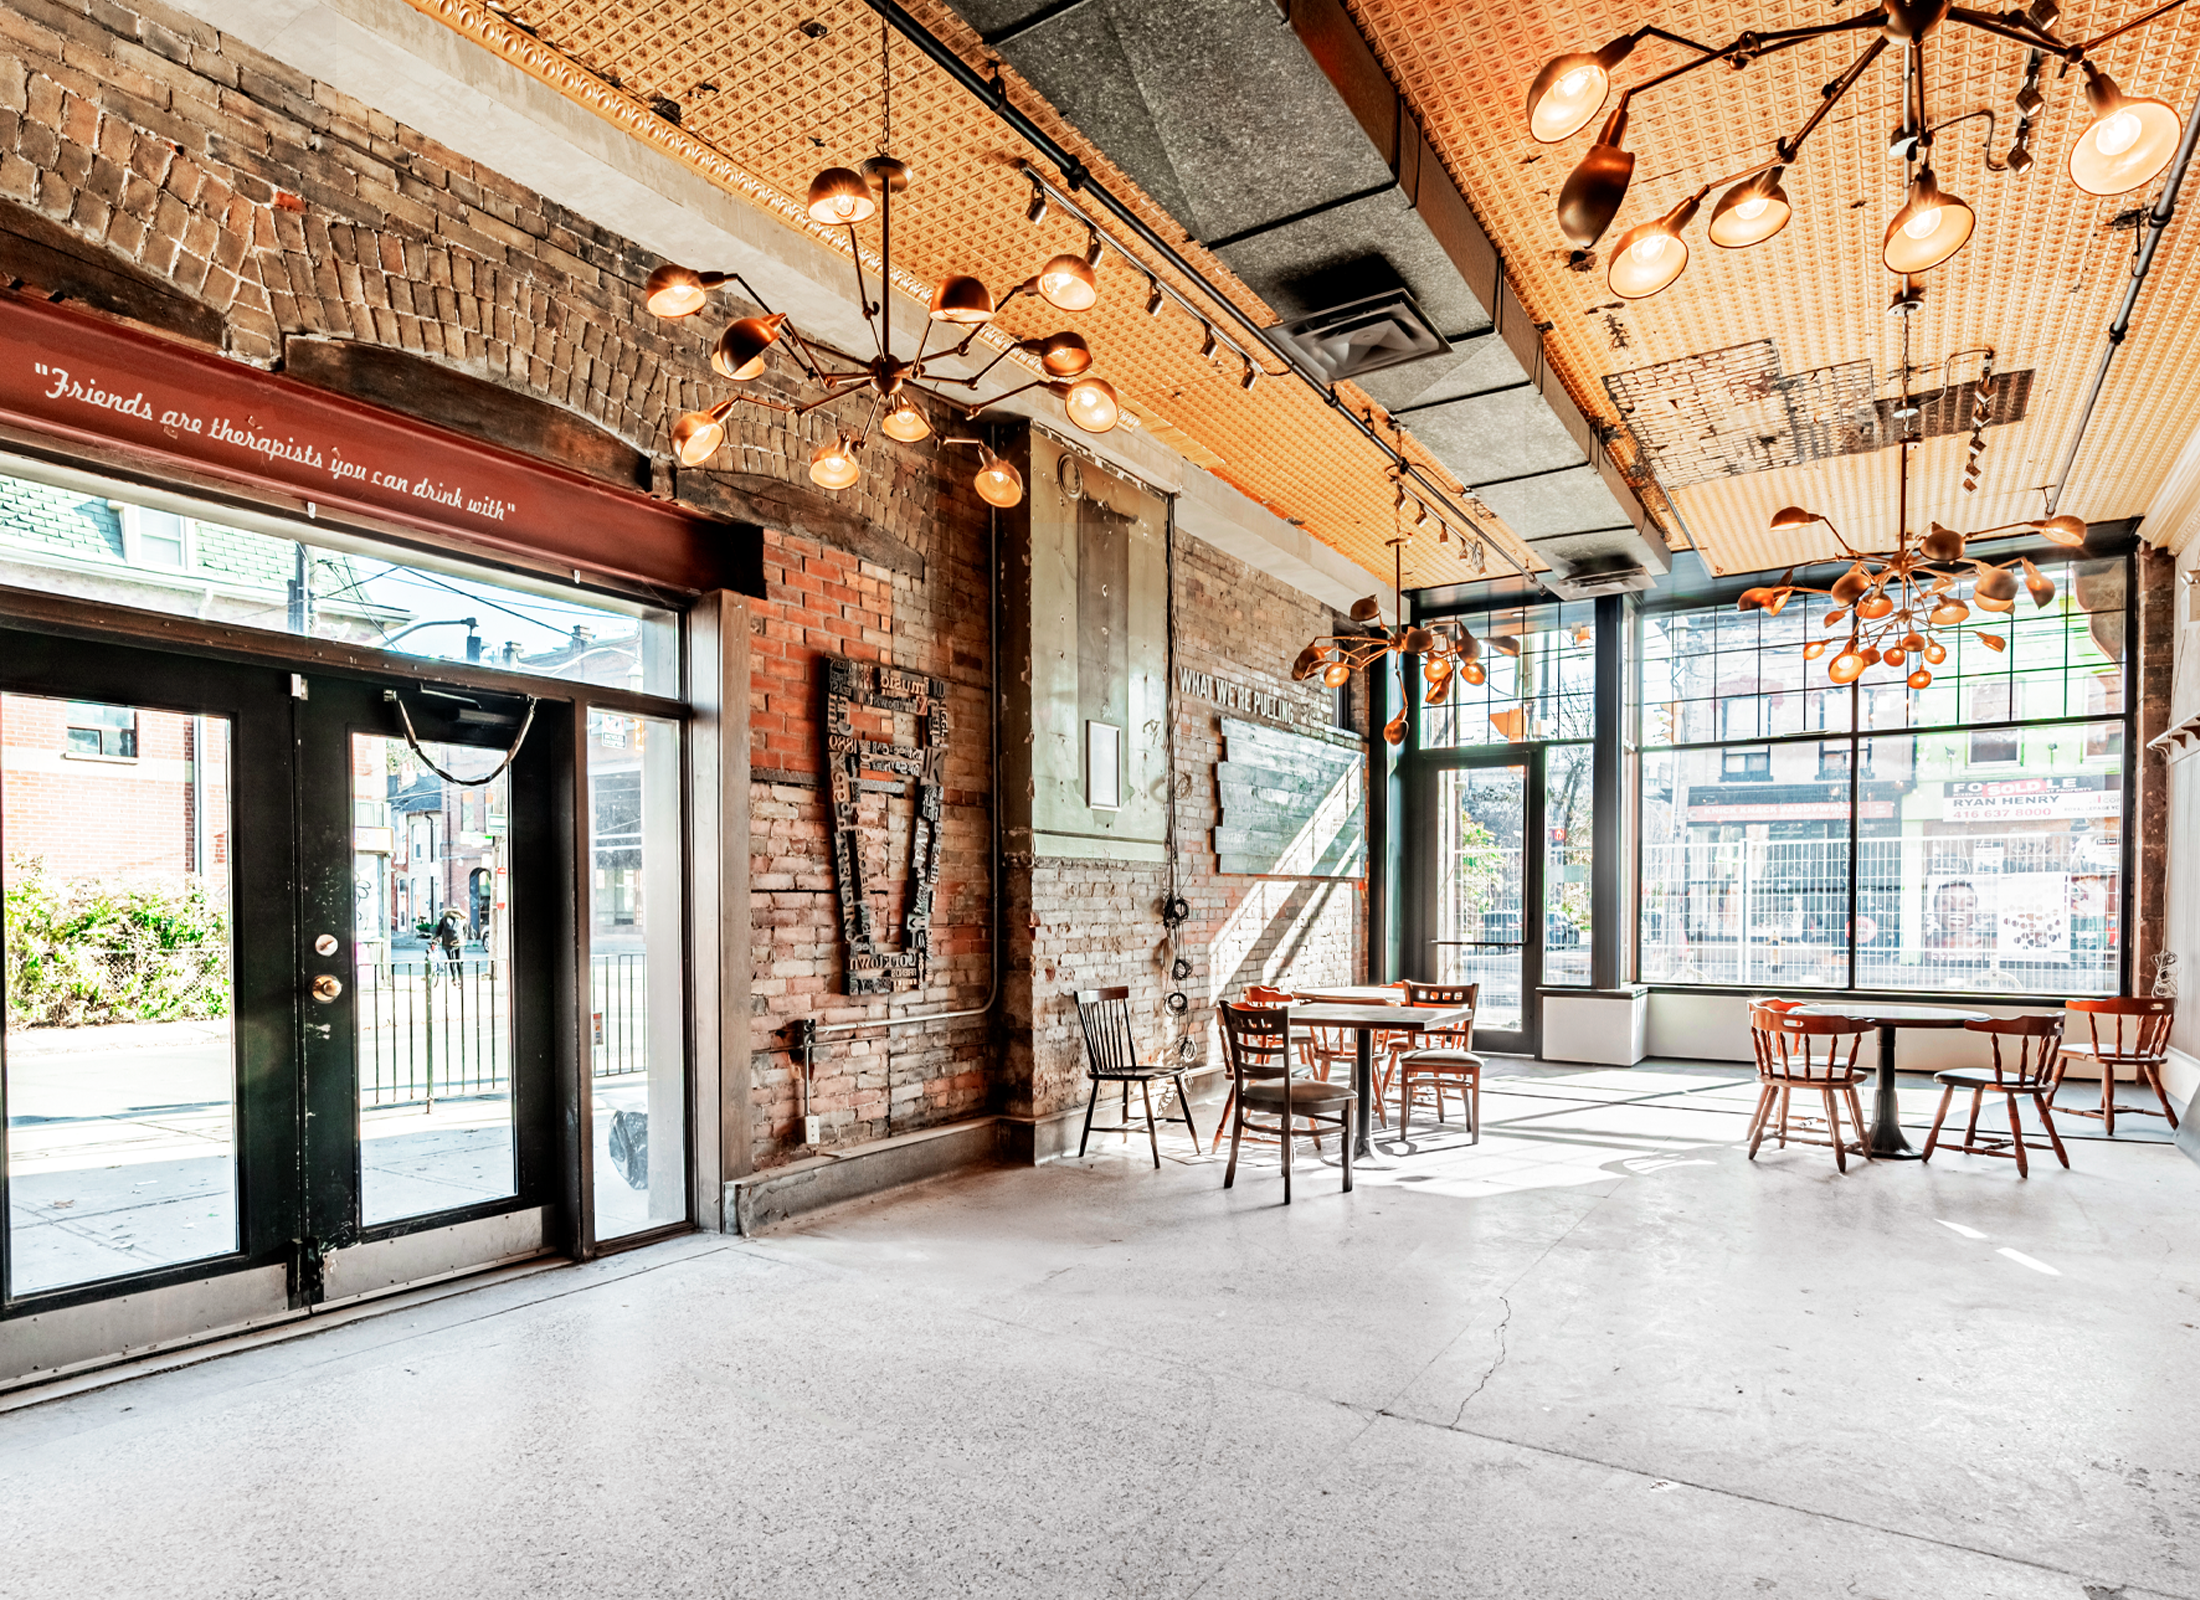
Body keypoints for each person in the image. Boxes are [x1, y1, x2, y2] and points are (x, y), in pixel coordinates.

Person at [431, 906, 467, 978]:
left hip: (448, 942)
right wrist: (462, 937)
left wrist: (435, 938)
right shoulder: (462, 918)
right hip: (459, 942)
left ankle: (454, 978)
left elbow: (439, 930)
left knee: (451, 960)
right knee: (459, 960)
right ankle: (461, 978)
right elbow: (465, 930)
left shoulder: (444, 919)